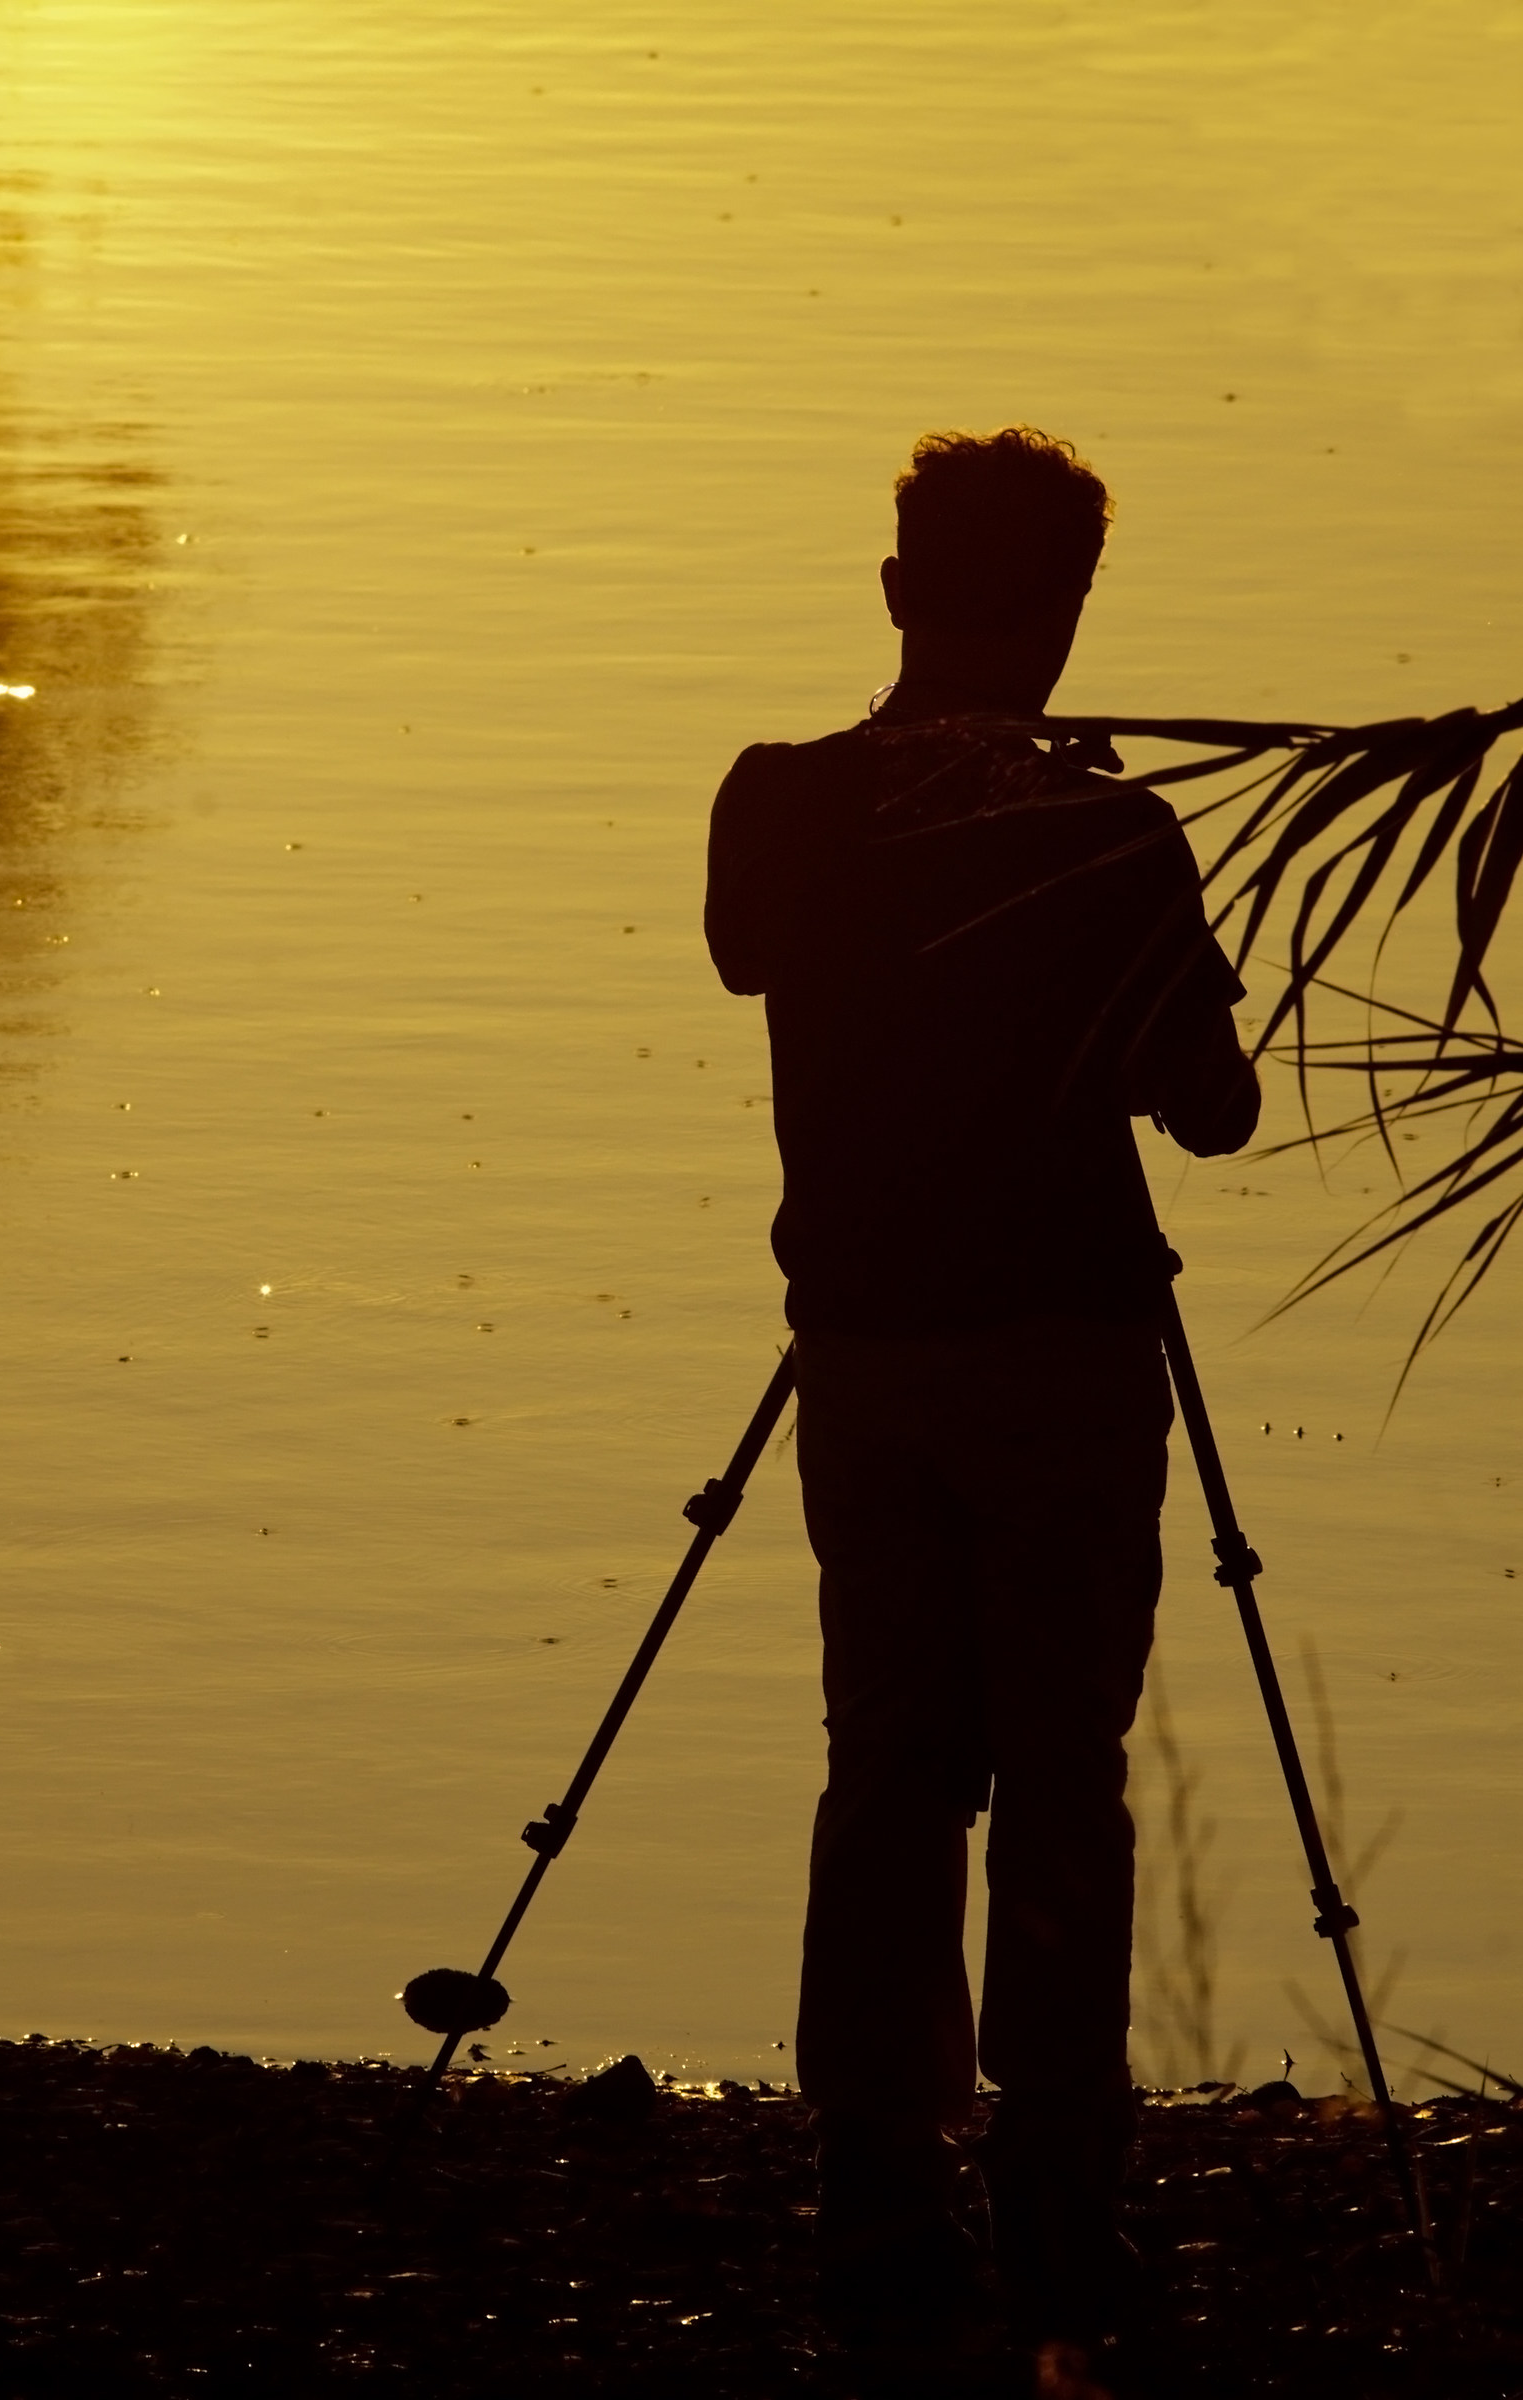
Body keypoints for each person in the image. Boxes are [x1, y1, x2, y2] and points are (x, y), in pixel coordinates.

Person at [703, 428, 1260, 2350]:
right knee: (1062, 1781)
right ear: (1070, 611)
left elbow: (744, 954)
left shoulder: (778, 806)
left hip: (865, 1356)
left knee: (889, 1762)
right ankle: (1056, 2202)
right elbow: (1217, 1105)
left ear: (893, 593)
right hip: (1062, 1357)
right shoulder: (1102, 834)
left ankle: (875, 2191)